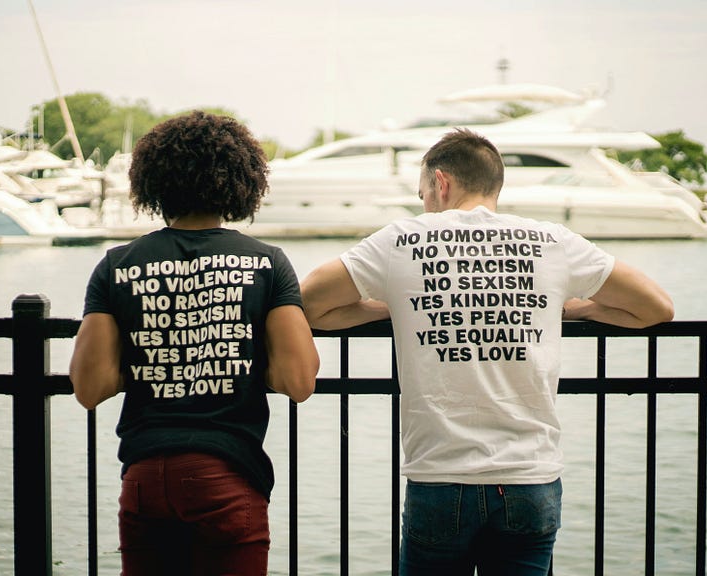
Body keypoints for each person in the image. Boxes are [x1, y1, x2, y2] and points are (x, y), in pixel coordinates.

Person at [300, 128, 673, 575]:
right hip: (529, 478)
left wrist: (397, 306)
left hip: (440, 477)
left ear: (441, 183)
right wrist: (564, 308)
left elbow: (308, 304)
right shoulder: (550, 242)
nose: (424, 204)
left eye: (423, 194)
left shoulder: (402, 240)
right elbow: (655, 308)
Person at [69, 111, 319, 576]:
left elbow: (90, 386)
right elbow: (299, 380)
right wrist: (240, 362)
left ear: (153, 182)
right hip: (226, 473)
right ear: (242, 181)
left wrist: (156, 364)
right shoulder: (267, 263)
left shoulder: (116, 265)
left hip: (144, 477)